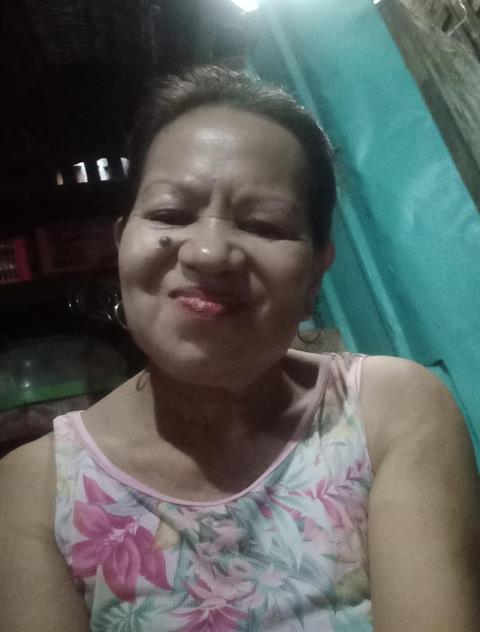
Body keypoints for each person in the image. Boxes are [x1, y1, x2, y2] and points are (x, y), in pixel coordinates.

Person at [1, 65, 479, 632]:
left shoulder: (389, 412)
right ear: (122, 242)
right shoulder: (31, 492)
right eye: (170, 214)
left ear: (315, 274)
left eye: (263, 224)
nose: (208, 253)